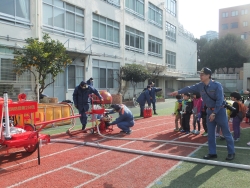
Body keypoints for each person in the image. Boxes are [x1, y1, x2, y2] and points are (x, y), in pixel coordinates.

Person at [170, 67, 235, 160]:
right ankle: (212, 153)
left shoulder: (217, 85)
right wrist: (178, 92)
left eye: (202, 74)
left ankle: (231, 152)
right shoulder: (200, 86)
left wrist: (214, 113)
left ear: (209, 75)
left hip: (219, 111)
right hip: (209, 111)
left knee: (226, 133)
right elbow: (189, 88)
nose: (200, 76)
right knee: (211, 134)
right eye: (200, 74)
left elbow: (220, 100)